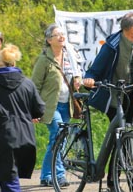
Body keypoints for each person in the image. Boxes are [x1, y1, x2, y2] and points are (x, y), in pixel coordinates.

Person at [83, 12, 133, 191]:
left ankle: (130, 179)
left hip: (130, 96)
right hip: (112, 96)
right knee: (119, 138)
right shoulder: (112, 46)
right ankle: (116, 182)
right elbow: (95, 69)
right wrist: (89, 79)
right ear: (131, 29)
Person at [0, 44, 45, 191]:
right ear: (14, 63)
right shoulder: (27, 83)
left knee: (9, 182)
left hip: (2, 136)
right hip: (26, 136)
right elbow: (40, 109)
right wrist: (28, 115)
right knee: (9, 178)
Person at [32, 24, 83, 187]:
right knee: (58, 134)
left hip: (66, 105)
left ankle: (46, 176)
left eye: (63, 34)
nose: (62, 36)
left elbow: (77, 74)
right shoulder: (44, 60)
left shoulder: (70, 57)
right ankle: (59, 175)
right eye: (57, 35)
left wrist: (77, 80)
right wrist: (33, 110)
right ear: (49, 40)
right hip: (49, 106)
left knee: (57, 140)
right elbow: (34, 86)